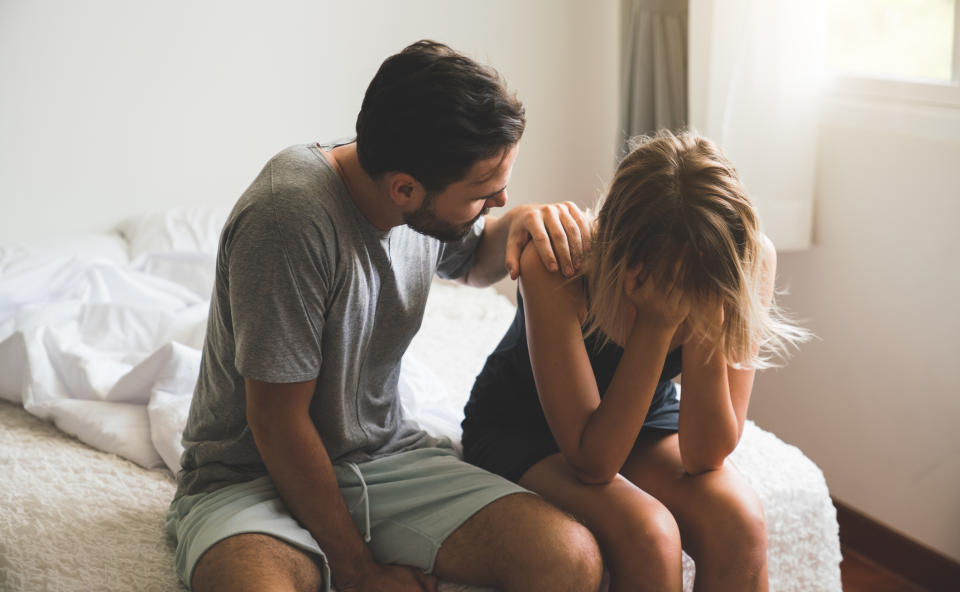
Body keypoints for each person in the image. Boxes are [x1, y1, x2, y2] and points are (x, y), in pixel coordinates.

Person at [166, 40, 604, 592]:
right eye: (483, 194)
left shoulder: (415, 193)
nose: (499, 200)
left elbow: (470, 254)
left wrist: (525, 225)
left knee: (570, 559)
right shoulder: (288, 217)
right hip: (251, 475)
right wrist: (358, 570)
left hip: (381, 458)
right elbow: (277, 423)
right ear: (404, 190)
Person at [461, 130, 810, 592]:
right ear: (622, 258)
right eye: (677, 283)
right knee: (650, 534)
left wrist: (709, 312)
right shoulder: (560, 268)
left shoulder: (744, 259)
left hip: (640, 411)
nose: (688, 297)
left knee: (739, 521)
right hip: (525, 425)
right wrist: (656, 324)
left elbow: (706, 455)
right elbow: (594, 463)